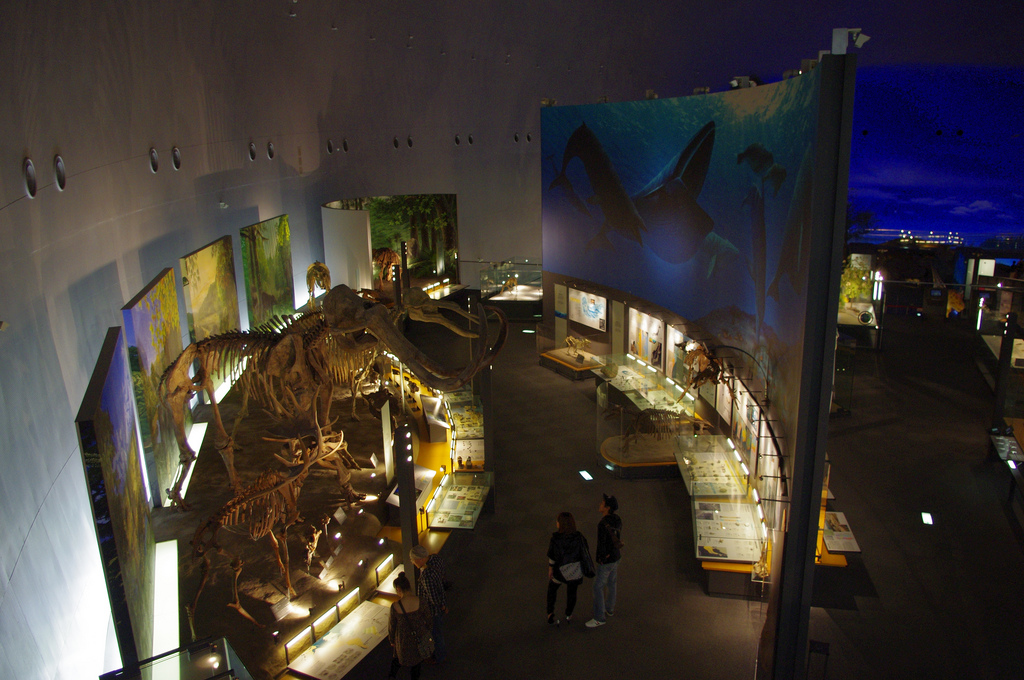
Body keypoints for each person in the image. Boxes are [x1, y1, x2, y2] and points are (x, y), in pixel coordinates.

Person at [547, 511, 593, 625]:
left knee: (552, 589)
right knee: (572, 593)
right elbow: (585, 550)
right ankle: (568, 614)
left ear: (560, 524)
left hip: (560, 571)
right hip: (575, 571)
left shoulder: (556, 539)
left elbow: (552, 556)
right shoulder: (579, 537)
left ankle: (550, 613)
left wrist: (550, 568)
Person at [388, 572, 433, 679]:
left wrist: (392, 640)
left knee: (397, 659)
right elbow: (429, 620)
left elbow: (392, 626)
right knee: (417, 664)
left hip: (403, 640)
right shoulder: (420, 601)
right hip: (419, 637)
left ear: (398, 589)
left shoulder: (395, 607)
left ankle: (392, 676)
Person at [586, 493, 623, 628]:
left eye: (602, 503)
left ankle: (599, 618)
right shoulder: (618, 519)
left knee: (597, 587)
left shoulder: (602, 524)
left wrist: (601, 559)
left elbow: (601, 544)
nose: (600, 505)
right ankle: (610, 608)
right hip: (616, 557)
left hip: (606, 561)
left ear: (607, 508)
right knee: (612, 583)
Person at [410, 544, 448, 663]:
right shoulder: (436, 559)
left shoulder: (426, 575)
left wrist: (441, 606)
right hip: (442, 600)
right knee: (438, 631)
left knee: (436, 633)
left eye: (413, 560)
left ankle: (439, 656)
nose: (412, 563)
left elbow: (433, 598)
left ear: (420, 559)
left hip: (432, 611)